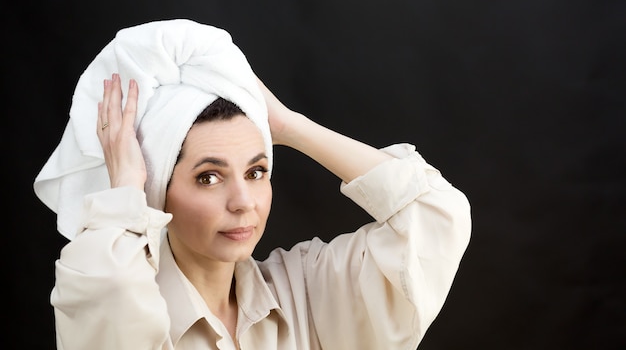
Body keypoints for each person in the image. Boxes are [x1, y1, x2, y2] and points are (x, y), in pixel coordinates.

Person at [34, 19, 471, 350]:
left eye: (257, 171)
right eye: (208, 177)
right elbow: (106, 291)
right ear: (157, 190)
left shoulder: (306, 292)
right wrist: (126, 185)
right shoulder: (129, 307)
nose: (243, 202)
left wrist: (290, 126)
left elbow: (435, 214)